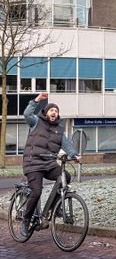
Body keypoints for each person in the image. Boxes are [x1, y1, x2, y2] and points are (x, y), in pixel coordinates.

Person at [21, 92, 80, 237]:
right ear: (46, 113)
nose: (54, 112)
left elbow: (67, 145)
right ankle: (26, 220)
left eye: (56, 110)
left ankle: (54, 207)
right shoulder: (36, 121)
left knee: (65, 176)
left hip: (48, 163)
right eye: (51, 110)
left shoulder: (59, 129)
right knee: (36, 192)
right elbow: (27, 114)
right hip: (32, 163)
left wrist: (74, 155)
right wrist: (37, 100)